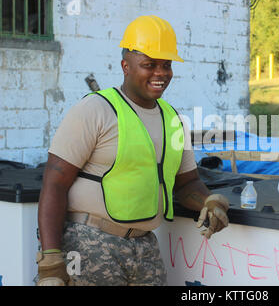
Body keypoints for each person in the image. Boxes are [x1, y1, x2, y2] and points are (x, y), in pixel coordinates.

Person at [36, 15, 229, 286]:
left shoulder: (174, 120)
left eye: (166, 65)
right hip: (89, 242)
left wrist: (210, 202)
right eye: (149, 65)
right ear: (126, 66)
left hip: (145, 247)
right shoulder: (96, 109)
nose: (160, 73)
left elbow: (186, 184)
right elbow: (54, 183)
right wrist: (51, 260)